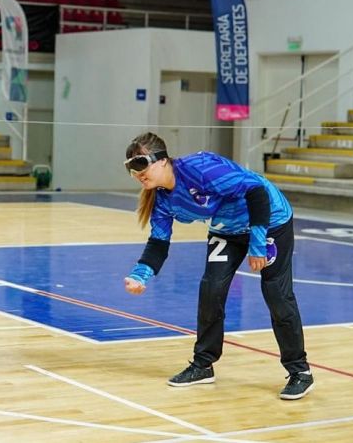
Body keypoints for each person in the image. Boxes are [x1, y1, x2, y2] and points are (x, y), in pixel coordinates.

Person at [122, 132, 314, 400]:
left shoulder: (201, 168)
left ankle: (299, 371)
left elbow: (256, 191)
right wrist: (140, 275)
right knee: (211, 289)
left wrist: (258, 244)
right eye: (131, 168)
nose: (138, 173)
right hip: (227, 230)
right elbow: (158, 243)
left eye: (141, 164)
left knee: (276, 294)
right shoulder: (163, 200)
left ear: (163, 160)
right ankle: (203, 365)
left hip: (270, 220)